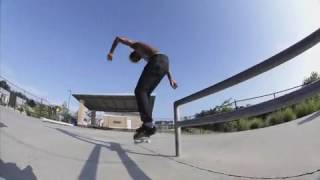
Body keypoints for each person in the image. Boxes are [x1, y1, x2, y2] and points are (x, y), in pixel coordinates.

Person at [107, 36, 178, 140]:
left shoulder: (135, 45)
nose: (138, 60)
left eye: (136, 59)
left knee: (140, 90)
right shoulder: (148, 55)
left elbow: (118, 38)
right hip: (164, 64)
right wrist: (171, 78)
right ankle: (147, 124)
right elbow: (163, 64)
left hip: (158, 61)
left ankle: (148, 125)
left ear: (134, 53)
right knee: (146, 93)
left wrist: (111, 52)